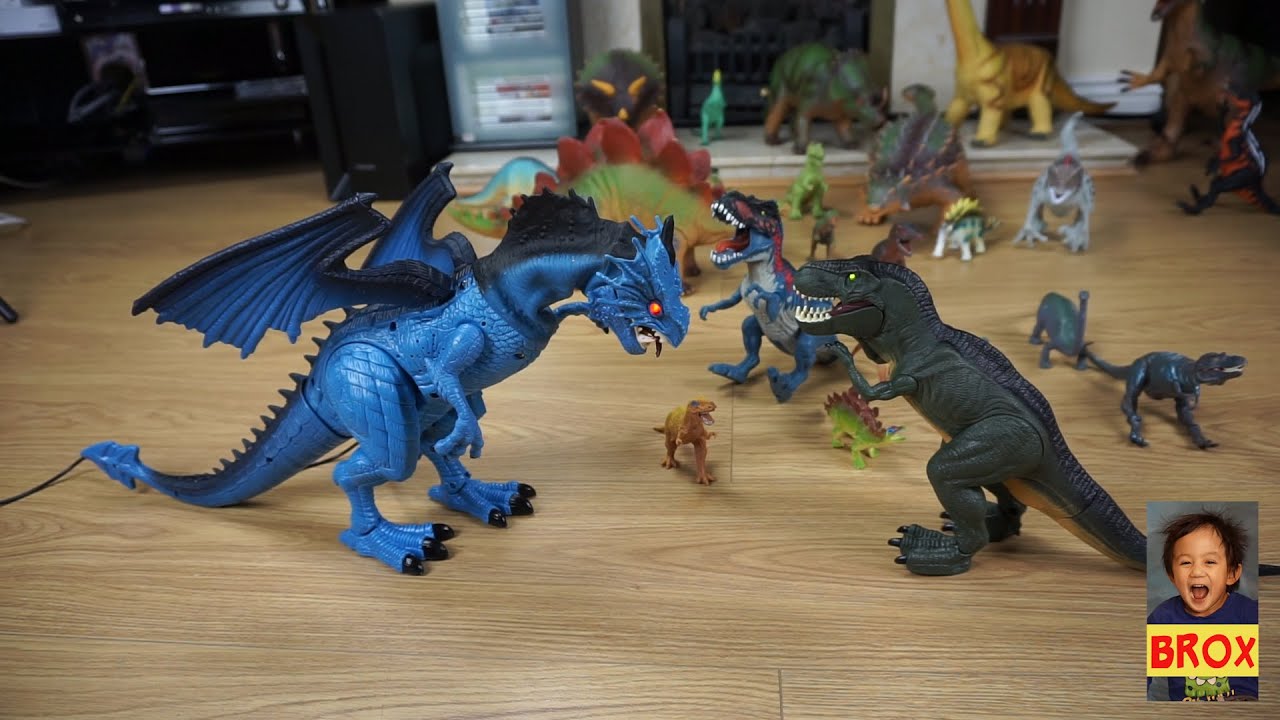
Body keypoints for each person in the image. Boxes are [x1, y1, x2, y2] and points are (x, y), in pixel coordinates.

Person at [1147, 510, 1259, 701]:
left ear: (1231, 574)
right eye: (1186, 562)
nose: (1197, 571)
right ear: (1172, 576)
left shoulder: (1250, 614)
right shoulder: (1163, 620)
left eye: (1209, 562)